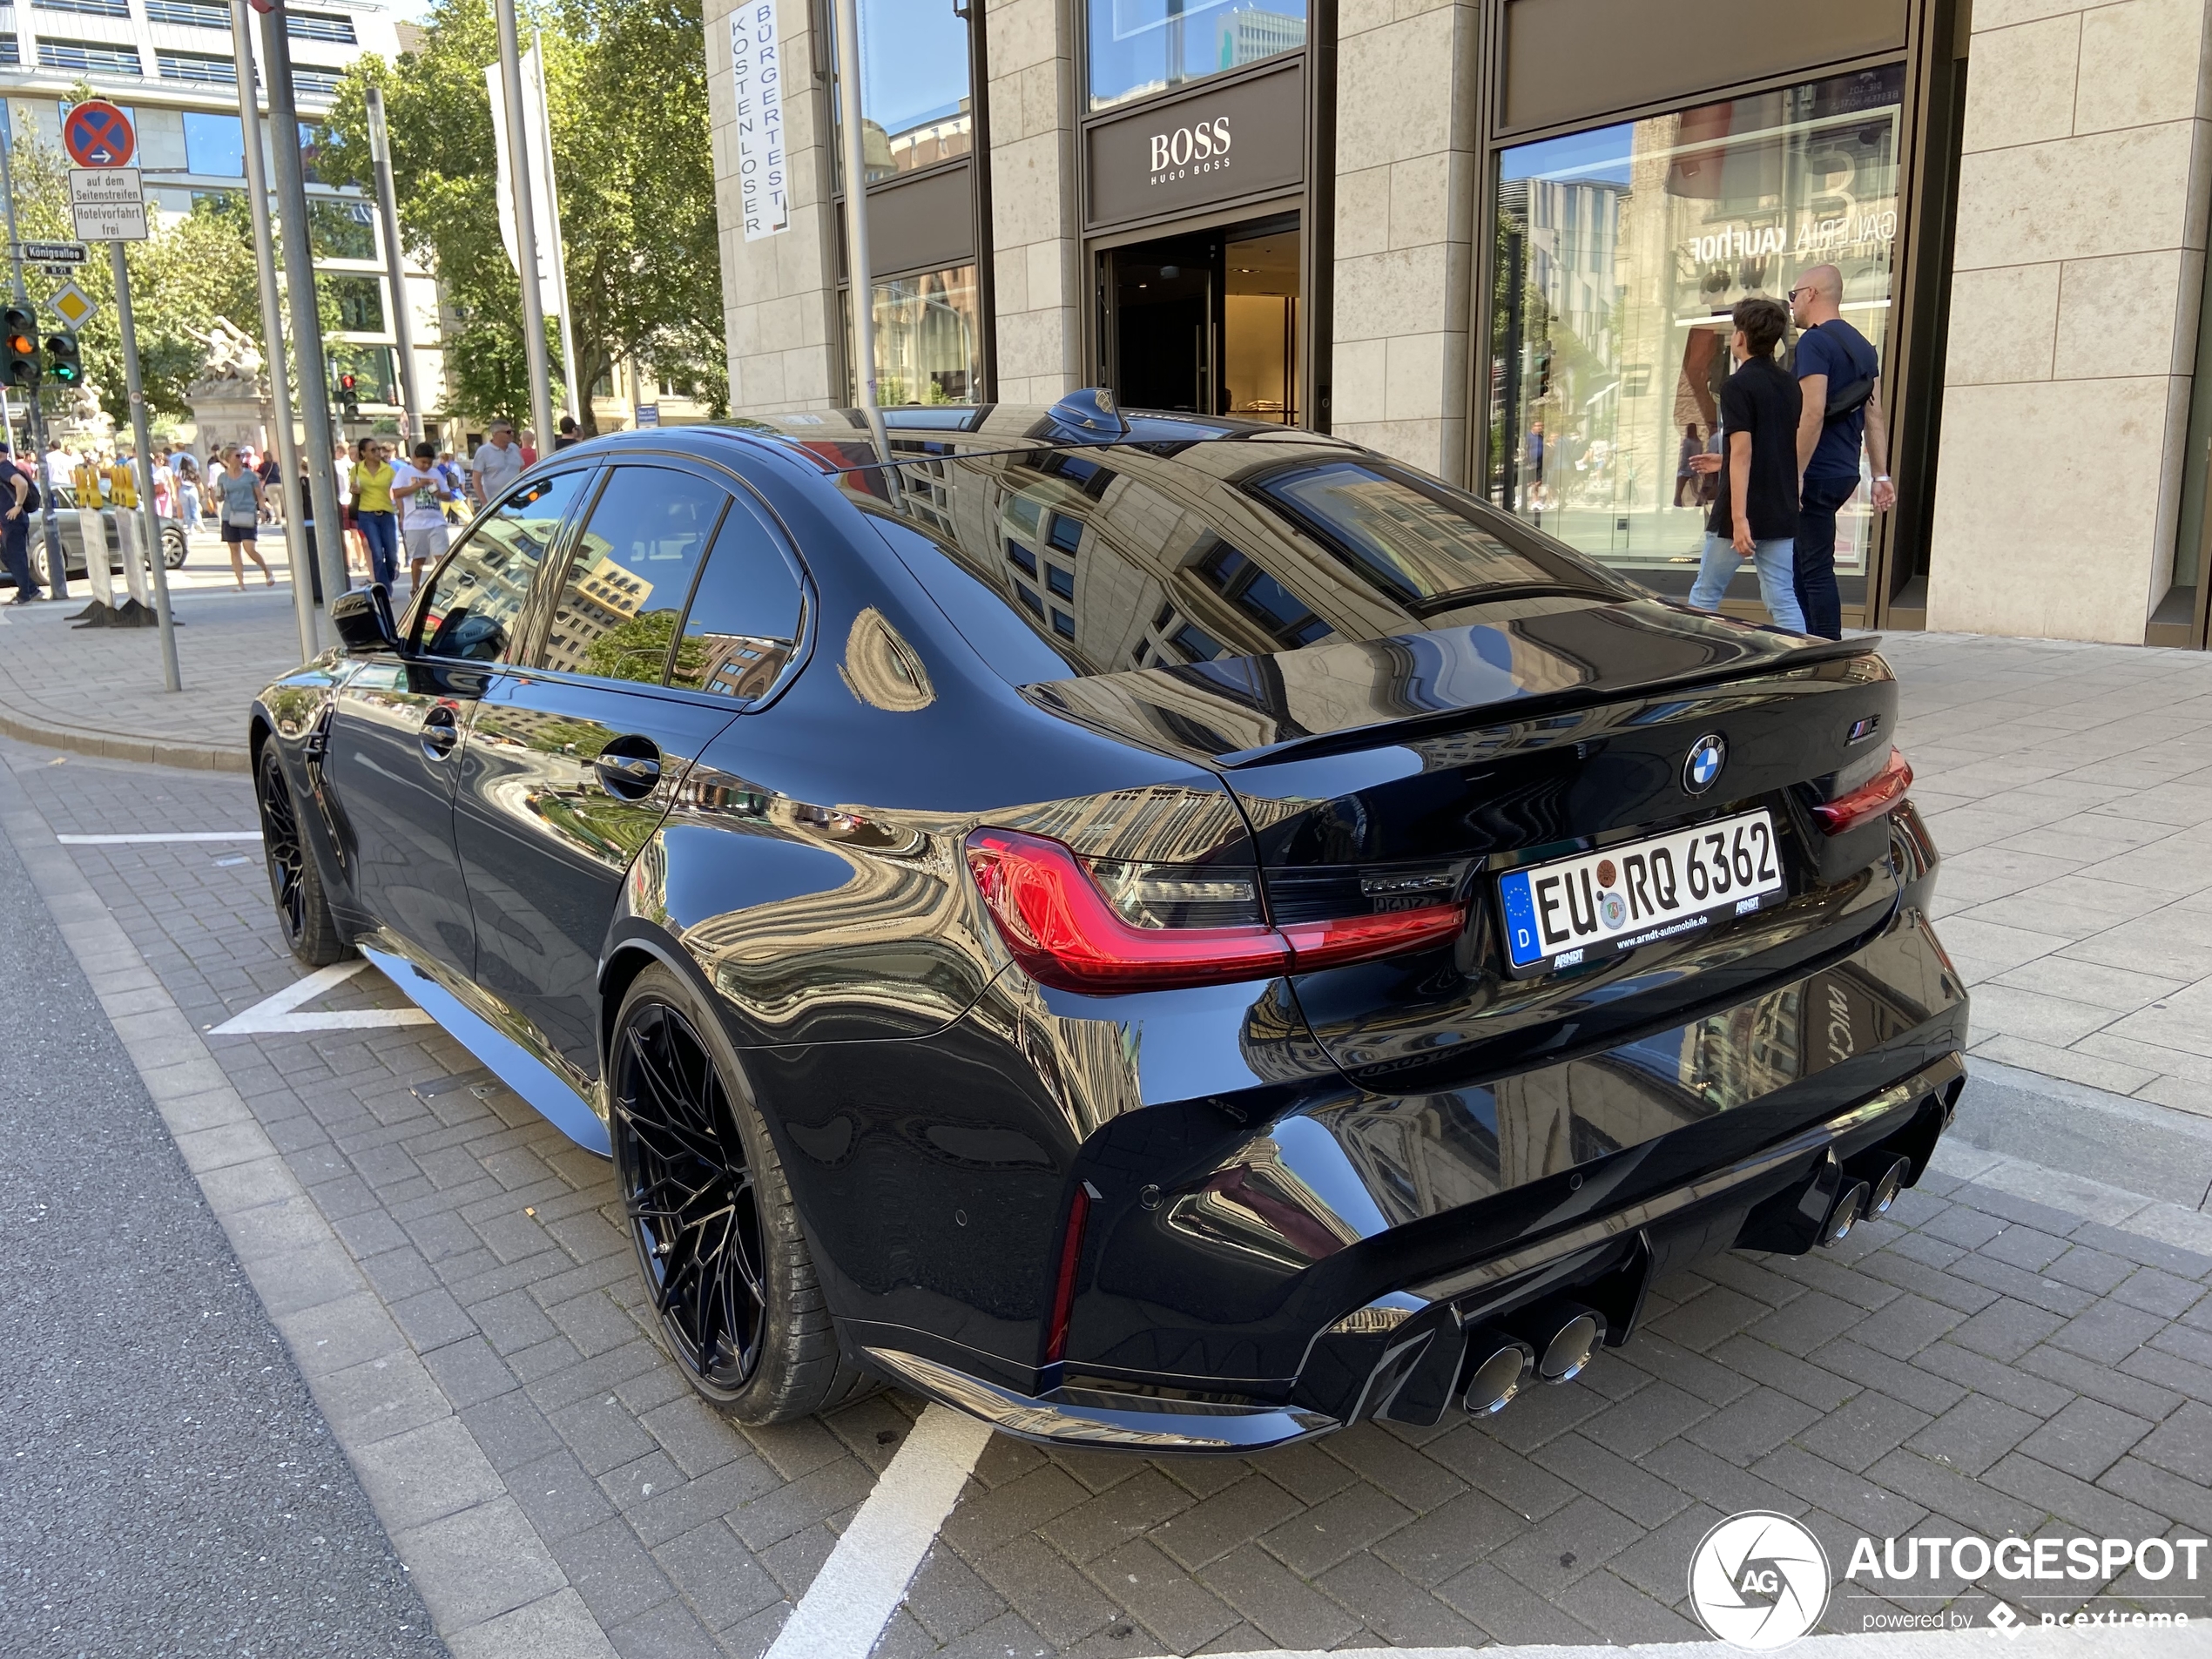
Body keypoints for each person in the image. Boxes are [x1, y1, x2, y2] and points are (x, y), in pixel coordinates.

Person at [1685, 297, 1807, 635]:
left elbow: (1744, 453)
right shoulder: (1789, 385)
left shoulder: (1737, 386)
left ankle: (1693, 666)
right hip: (1781, 507)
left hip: (1740, 512)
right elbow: (1775, 449)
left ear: (1740, 337)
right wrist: (1722, 461)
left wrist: (1739, 520)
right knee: (1783, 598)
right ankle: (1805, 663)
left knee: (1706, 594)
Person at [1789, 263, 1893, 640]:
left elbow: (1812, 411)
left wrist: (1795, 473)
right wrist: (1880, 475)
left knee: (1811, 567)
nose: (1793, 305)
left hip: (1814, 470)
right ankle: (1809, 641)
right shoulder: (1862, 346)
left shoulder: (1814, 343)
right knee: (1804, 563)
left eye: (1794, 295)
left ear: (1812, 294)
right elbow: (1874, 412)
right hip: (1843, 469)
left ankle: (1824, 647)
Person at [389, 439, 454, 596]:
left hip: (436, 521)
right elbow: (396, 493)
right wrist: (417, 485)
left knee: (442, 555)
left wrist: (438, 493)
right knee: (418, 559)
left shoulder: (436, 473)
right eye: (423, 462)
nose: (426, 466)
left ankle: (445, 587)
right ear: (414, 458)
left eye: (429, 463)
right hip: (415, 523)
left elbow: (449, 495)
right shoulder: (405, 472)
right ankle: (415, 586)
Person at [214, 443, 273, 590]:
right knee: (234, 549)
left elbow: (260, 495)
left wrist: (263, 510)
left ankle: (266, 570)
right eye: (237, 455)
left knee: (249, 548)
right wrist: (217, 495)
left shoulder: (249, 475)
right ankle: (241, 583)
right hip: (229, 515)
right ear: (228, 458)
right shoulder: (222, 477)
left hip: (247, 513)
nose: (241, 458)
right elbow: (219, 497)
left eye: (241, 455)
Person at [352, 436, 399, 590]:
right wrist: (354, 489)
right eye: (373, 450)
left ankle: (390, 575)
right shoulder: (357, 469)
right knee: (377, 553)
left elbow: (397, 491)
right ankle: (385, 589)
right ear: (363, 453)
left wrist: (402, 512)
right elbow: (352, 487)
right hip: (367, 514)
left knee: (392, 555)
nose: (378, 452)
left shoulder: (388, 469)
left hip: (387, 513)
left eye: (378, 449)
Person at [0, 441, 37, 604]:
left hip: (13, 520)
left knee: (16, 557)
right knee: (7, 555)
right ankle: (30, 588)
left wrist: (18, 506)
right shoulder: (7, 467)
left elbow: (21, 484)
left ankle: (25, 594)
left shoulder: (4, 468)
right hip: (10, 521)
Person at [471, 419, 523, 506]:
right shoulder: (483, 452)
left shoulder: (514, 448)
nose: (512, 434)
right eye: (508, 432)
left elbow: (522, 471)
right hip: (495, 504)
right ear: (496, 434)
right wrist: (484, 502)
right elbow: (476, 480)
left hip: (517, 500)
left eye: (512, 431)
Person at [1674, 423, 1703, 508]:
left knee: (1679, 491)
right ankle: (1701, 502)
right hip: (1695, 468)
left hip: (1685, 469)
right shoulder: (1699, 442)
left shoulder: (1687, 441)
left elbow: (1685, 456)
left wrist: (1681, 468)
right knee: (1695, 490)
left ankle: (1678, 505)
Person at [174, 454, 201, 530]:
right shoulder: (194, 470)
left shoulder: (179, 471)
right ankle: (197, 521)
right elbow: (198, 482)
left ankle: (190, 528)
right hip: (192, 488)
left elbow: (176, 481)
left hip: (183, 489)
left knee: (186, 509)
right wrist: (202, 493)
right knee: (194, 507)